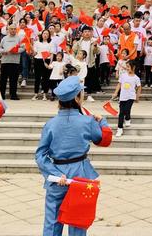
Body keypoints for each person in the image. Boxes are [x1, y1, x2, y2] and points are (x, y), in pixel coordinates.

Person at [35, 76, 111, 236]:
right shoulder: (87, 122)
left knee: (52, 224)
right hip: (80, 175)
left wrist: (54, 173)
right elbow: (102, 139)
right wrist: (102, 122)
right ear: (77, 97)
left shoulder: (51, 124)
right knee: (78, 224)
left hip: (57, 176)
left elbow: (40, 154)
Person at [113, 60, 141, 137]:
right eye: (126, 66)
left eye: (128, 67)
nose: (127, 68)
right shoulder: (123, 75)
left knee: (127, 109)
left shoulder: (136, 78)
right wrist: (115, 93)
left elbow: (139, 87)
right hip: (122, 96)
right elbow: (119, 84)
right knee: (121, 112)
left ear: (133, 67)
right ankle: (120, 129)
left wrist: (137, 96)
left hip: (131, 96)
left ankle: (127, 118)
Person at [0, 24, 25, 100]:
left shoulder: (19, 38)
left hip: (15, 61)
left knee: (14, 79)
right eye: (11, 29)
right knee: (3, 79)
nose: (13, 30)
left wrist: (16, 51)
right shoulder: (4, 38)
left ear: (16, 30)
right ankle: (2, 95)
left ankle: (13, 95)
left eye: (14, 29)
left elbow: (23, 48)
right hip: (5, 61)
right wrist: (4, 51)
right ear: (8, 30)